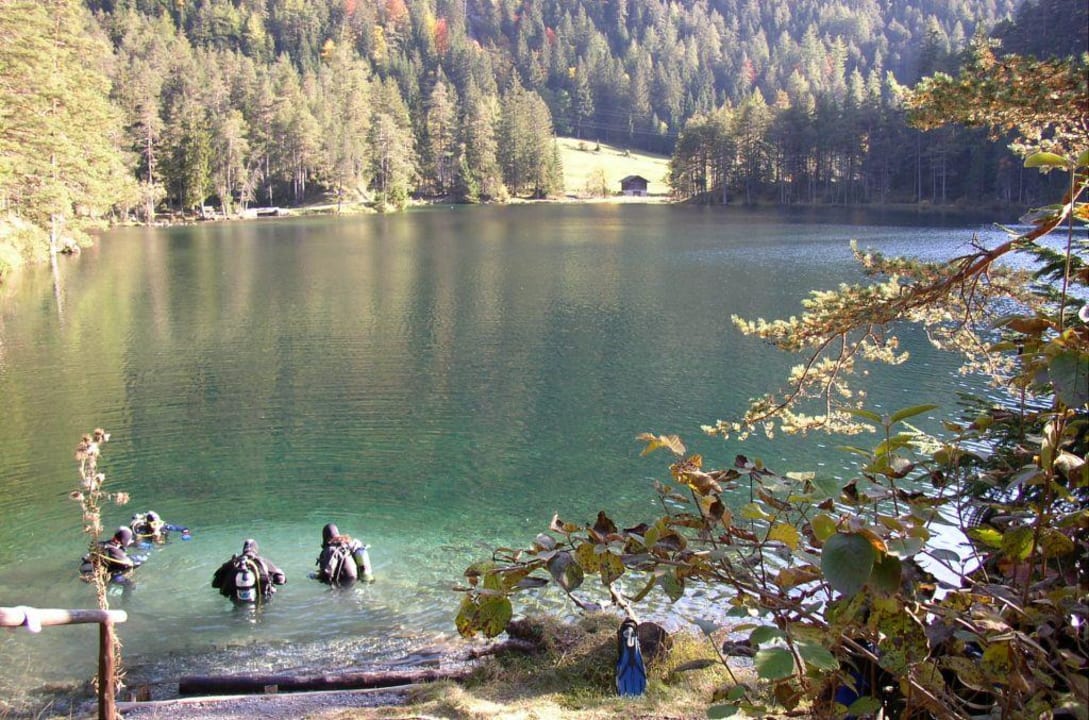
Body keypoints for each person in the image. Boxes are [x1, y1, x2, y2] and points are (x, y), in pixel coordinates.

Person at [212, 539, 286, 604]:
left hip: (237, 600)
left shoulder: (233, 562)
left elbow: (215, 584)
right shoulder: (263, 562)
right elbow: (281, 580)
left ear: (243, 549)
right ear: (256, 550)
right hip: (261, 599)